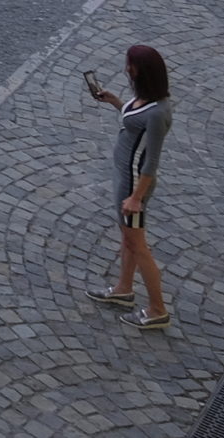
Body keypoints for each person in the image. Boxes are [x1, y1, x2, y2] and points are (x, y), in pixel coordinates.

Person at [87, 44, 173, 330]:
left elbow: (151, 162)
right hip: (124, 180)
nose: (127, 69)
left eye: (130, 66)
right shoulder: (144, 100)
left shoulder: (158, 114)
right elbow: (134, 120)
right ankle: (124, 288)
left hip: (133, 185)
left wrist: (135, 198)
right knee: (128, 240)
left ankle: (157, 308)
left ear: (143, 71)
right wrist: (115, 101)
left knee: (138, 246)